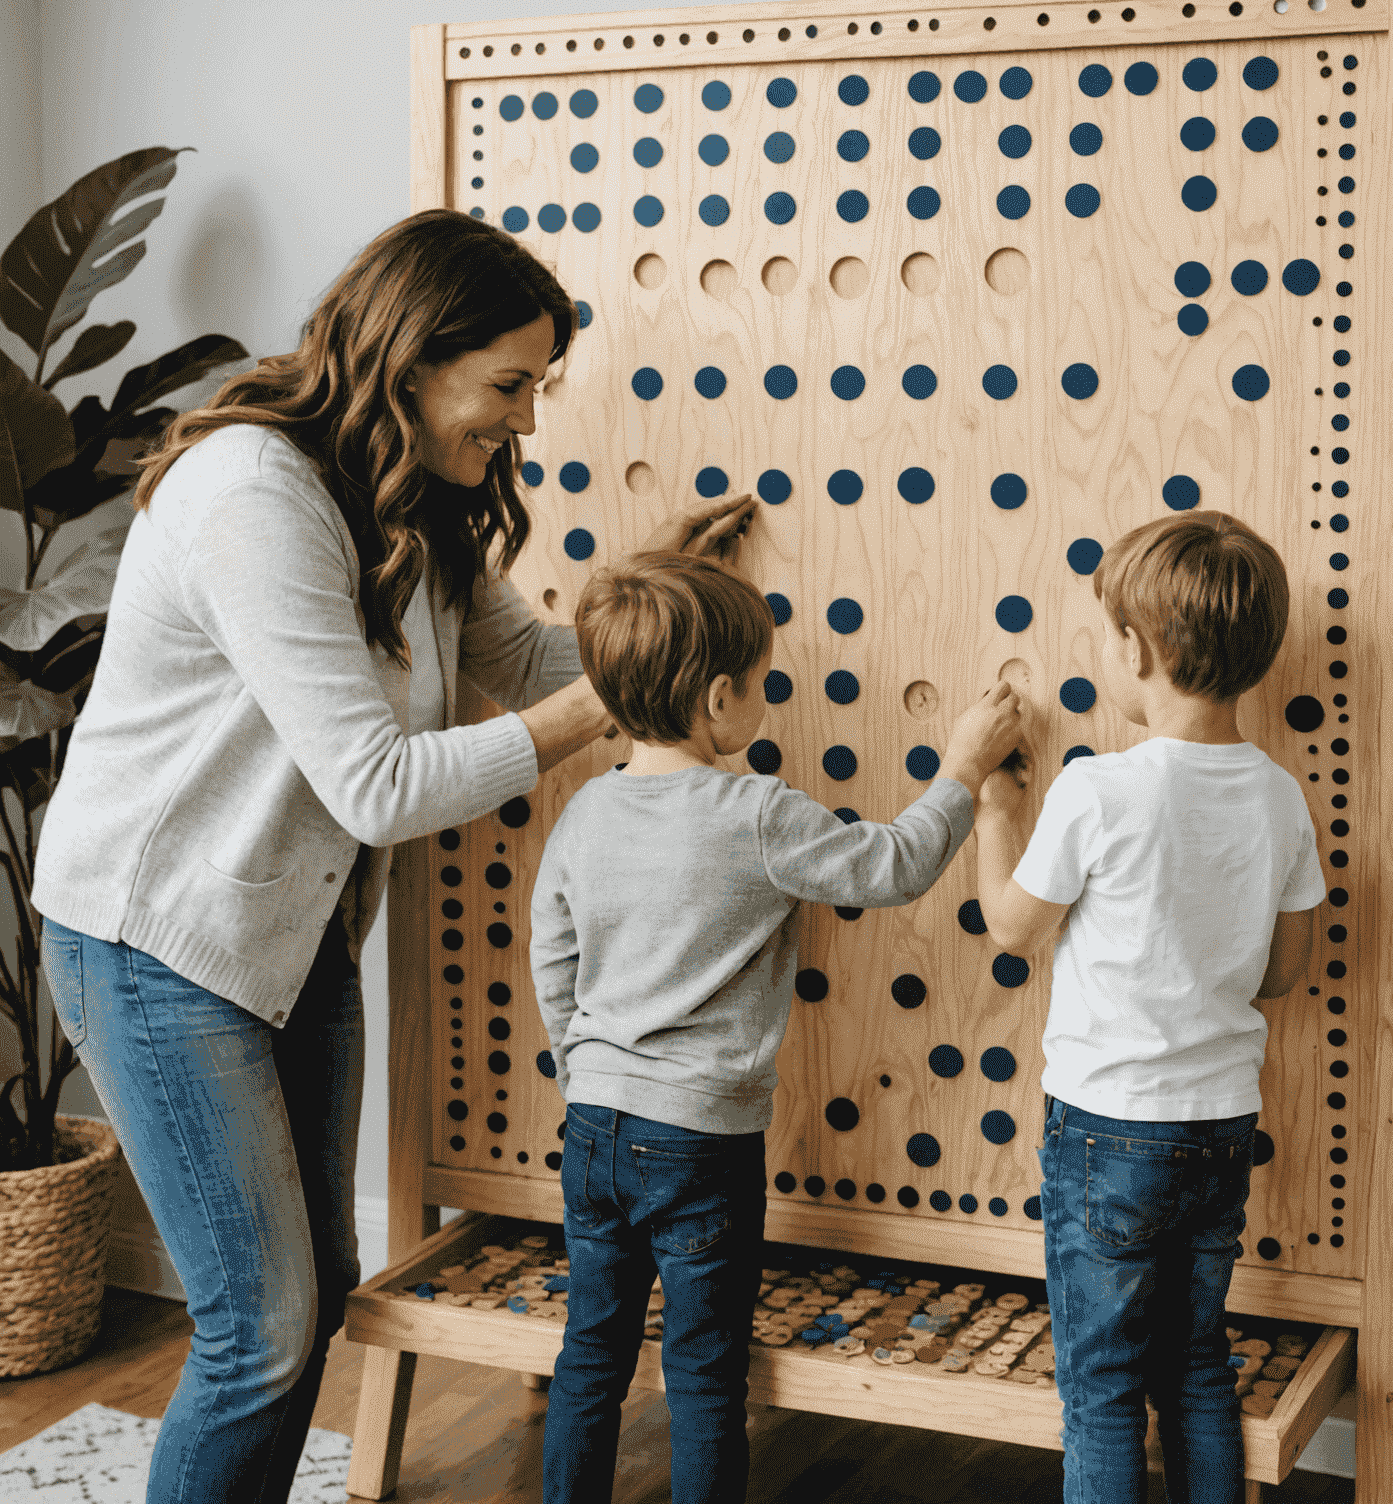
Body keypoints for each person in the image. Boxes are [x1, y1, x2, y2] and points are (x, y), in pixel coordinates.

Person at [30, 210, 754, 1504]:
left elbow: (524, 663)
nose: (527, 421)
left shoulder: (420, 496)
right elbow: (374, 784)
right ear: (415, 361)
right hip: (156, 937)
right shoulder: (254, 493)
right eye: (509, 385)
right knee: (259, 1329)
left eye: (538, 387)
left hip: (287, 933)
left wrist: (669, 620)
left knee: (316, 1294)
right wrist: (608, 706)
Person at [528, 550, 1027, 1504]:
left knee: (590, 1354)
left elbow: (552, 956)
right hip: (702, 1141)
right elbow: (890, 868)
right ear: (720, 699)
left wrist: (584, 1068)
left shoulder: (585, 812)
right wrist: (962, 769)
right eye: (763, 684)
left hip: (593, 1125)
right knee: (706, 1371)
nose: (766, 699)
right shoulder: (756, 811)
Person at [971, 511, 1325, 1504]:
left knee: (1103, 1391)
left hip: (1108, 1133)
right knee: (1197, 1370)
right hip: (1218, 1125)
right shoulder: (1280, 799)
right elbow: (1281, 972)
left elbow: (1010, 926)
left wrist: (997, 812)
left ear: (1135, 648)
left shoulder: (1096, 789)